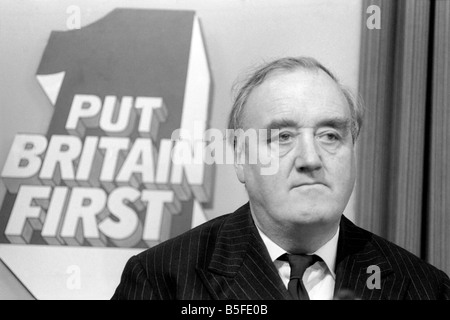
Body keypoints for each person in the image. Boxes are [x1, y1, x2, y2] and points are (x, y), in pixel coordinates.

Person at [112, 57, 450, 300]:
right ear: (241, 159)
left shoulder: (425, 287)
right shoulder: (162, 279)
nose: (310, 159)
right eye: (282, 138)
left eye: (330, 135)